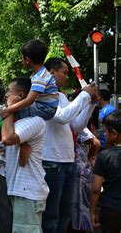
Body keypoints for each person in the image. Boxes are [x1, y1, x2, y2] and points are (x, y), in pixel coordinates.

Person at [41, 58, 98, 233]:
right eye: (64, 73)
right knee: (51, 214)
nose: (67, 77)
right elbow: (62, 117)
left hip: (68, 160)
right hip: (51, 161)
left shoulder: (61, 96)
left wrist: (91, 103)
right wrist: (84, 94)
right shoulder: (42, 94)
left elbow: (76, 126)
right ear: (51, 72)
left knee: (65, 212)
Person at [1, 77, 49, 232]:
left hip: (28, 191)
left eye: (9, 91)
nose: (6, 95)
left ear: (21, 96)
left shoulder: (36, 121)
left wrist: (8, 110)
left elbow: (7, 138)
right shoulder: (15, 121)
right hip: (20, 190)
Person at [0, 39, 58, 121]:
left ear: (27, 60)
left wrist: (8, 110)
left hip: (45, 110)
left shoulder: (39, 77)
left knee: (14, 112)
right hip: (43, 107)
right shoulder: (40, 74)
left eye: (21, 58)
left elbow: (29, 100)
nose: (20, 60)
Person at [90, 110, 121, 232]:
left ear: (114, 134)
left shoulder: (104, 156)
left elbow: (96, 189)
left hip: (110, 209)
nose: (104, 134)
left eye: (106, 131)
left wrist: (92, 211)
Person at [71, 127, 100, 232]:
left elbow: (96, 143)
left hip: (81, 170)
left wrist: (90, 156)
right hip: (77, 169)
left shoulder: (79, 127)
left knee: (82, 204)